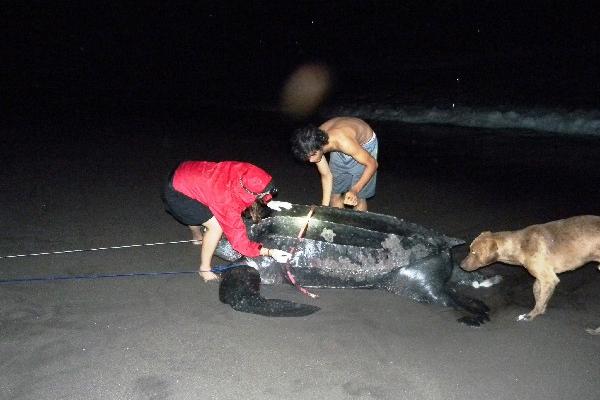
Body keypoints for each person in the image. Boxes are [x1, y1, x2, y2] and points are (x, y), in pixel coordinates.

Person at [162, 161, 293, 282]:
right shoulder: (227, 202)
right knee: (216, 227)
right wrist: (269, 252)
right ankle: (204, 269)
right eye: (264, 194)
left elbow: (256, 187)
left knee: (198, 205)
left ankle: (197, 236)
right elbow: (240, 244)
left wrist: (269, 201)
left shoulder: (244, 171)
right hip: (177, 192)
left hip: (186, 171)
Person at [291, 117, 378, 211]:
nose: (311, 161)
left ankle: (359, 224)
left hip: (363, 144)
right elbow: (326, 175)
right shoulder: (312, 143)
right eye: (307, 157)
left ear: (321, 146)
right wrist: (323, 208)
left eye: (312, 155)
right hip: (341, 140)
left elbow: (373, 164)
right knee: (334, 195)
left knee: (358, 197)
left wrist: (355, 190)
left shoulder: (343, 142)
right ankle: (336, 222)